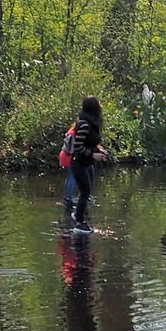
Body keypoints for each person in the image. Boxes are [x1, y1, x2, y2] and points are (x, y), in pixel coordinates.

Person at [68, 95, 107, 234]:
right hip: (79, 163)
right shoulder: (84, 124)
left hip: (87, 163)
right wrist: (93, 154)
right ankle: (79, 223)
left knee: (87, 191)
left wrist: (98, 149)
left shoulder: (91, 123)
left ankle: (78, 214)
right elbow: (78, 146)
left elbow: (89, 142)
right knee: (85, 192)